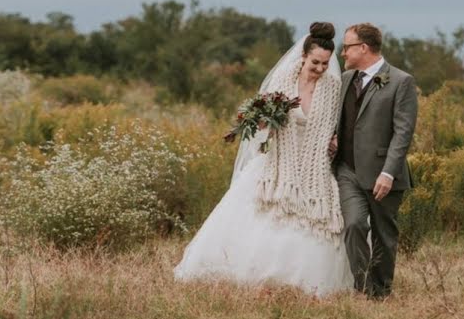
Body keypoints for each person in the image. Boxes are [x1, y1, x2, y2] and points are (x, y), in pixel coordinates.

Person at [174, 22, 354, 296]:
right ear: (303, 56)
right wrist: (261, 124)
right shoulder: (282, 82)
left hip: (314, 167)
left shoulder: (332, 87)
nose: (320, 69)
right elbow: (263, 129)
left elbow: (338, 123)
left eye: (325, 64)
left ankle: (305, 283)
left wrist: (334, 138)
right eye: (315, 62)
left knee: (318, 223)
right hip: (278, 165)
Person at [330, 23, 418, 298]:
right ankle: (361, 287)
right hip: (348, 171)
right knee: (354, 224)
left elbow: (403, 132)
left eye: (347, 47)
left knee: (384, 235)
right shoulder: (345, 79)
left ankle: (380, 293)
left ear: (363, 48)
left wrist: (389, 173)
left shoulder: (401, 81)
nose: (343, 53)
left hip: (383, 174)